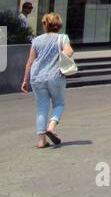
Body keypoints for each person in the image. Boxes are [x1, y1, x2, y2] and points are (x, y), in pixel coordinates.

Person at [19, 12, 73, 149]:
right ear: (58, 25)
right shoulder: (62, 37)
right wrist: (60, 57)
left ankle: (41, 141)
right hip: (55, 75)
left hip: (37, 77)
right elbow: (69, 52)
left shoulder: (36, 40)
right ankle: (52, 126)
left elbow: (30, 62)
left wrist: (25, 80)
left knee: (41, 108)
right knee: (59, 103)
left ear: (45, 25)